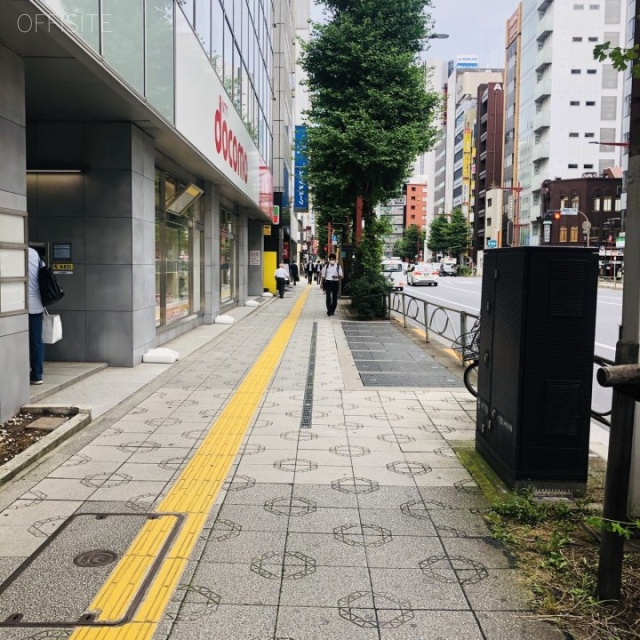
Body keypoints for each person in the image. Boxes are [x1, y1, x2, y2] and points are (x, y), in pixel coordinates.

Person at [28, 247, 45, 385]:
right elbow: (43, 273)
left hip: (16, 305)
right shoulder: (35, 254)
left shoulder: (12, 253)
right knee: (36, 342)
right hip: (36, 305)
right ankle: (37, 375)